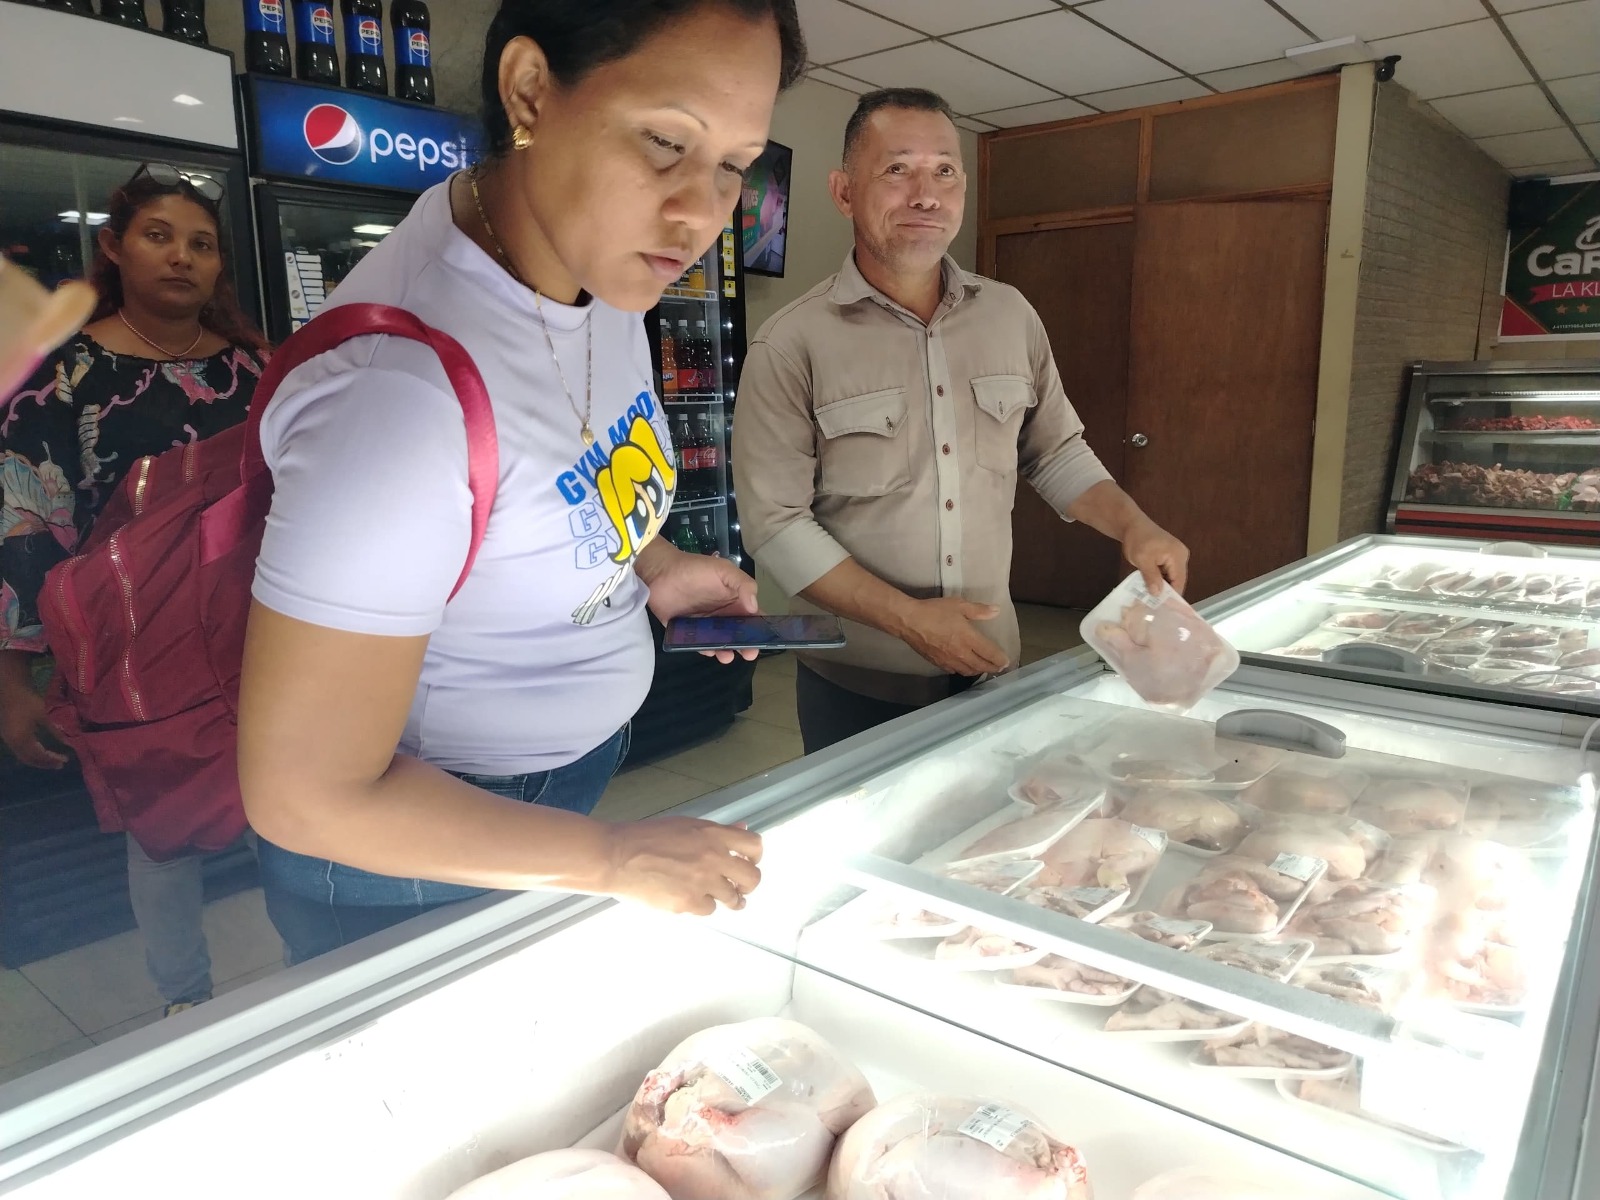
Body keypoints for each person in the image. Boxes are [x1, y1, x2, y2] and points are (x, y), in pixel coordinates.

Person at [237, 0, 805, 963]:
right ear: (531, 89)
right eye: (667, 141)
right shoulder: (396, 399)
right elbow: (307, 793)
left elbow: (555, 476)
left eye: (734, 165)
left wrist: (654, 561)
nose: (704, 213)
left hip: (561, 796)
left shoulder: (593, 272)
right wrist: (613, 858)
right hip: (408, 861)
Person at [732, 88, 1191, 754]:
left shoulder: (1011, 316)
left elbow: (1055, 451)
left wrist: (1134, 526)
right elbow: (776, 525)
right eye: (898, 170)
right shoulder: (791, 343)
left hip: (991, 671)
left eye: (944, 170)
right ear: (842, 191)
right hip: (857, 683)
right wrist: (909, 620)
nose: (926, 194)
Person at [1, 163, 271, 1016]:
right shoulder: (62, 376)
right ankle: (184, 1003)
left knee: (291, 788)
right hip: (132, 642)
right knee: (163, 825)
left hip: (259, 623)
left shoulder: (256, 369)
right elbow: (24, 518)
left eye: (201, 244)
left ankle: (314, 951)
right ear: (114, 248)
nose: (182, 258)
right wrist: (14, 680)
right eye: (159, 236)